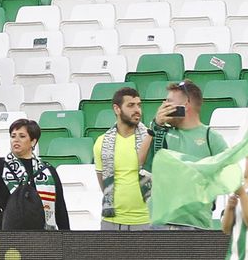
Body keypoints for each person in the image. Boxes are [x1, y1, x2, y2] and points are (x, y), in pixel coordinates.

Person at [0, 118, 70, 231]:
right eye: (13, 136)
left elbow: (60, 209)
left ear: (33, 141)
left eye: (22, 136)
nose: (16, 140)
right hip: (5, 235)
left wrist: (67, 239)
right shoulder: (0, 165)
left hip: (41, 238)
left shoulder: (47, 170)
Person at [94, 87, 154, 230]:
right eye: (131, 105)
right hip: (112, 221)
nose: (137, 109)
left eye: (139, 105)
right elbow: (103, 183)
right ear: (117, 109)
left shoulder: (151, 139)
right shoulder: (101, 142)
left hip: (147, 220)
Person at [151, 80, 228, 161]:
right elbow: (141, 163)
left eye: (169, 101)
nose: (164, 106)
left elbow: (228, 168)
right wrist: (155, 126)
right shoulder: (162, 134)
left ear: (186, 105)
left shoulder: (211, 137)